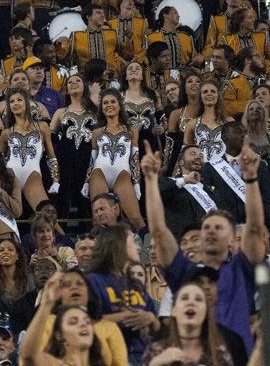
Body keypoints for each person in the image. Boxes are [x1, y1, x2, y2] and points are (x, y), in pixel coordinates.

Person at [143, 137, 265, 354]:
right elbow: (159, 232)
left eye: (218, 228)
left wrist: (252, 179)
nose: (210, 231)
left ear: (231, 238)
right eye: (206, 227)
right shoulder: (185, 272)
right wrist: (151, 181)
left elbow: (255, 228)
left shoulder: (241, 270)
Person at [87, 225, 159, 364]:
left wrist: (150, 318)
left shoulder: (137, 285)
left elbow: (157, 328)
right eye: (133, 241)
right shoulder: (93, 281)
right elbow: (83, 322)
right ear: (119, 245)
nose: (138, 247)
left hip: (144, 358)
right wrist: (124, 317)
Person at [83, 88, 145, 232]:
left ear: (119, 105)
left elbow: (134, 159)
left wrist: (136, 183)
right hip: (99, 173)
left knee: (137, 219)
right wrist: (86, 182)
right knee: (99, 219)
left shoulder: (132, 129)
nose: (109, 105)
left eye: (112, 101)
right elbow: (93, 160)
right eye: (105, 103)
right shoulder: (97, 132)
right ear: (101, 108)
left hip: (122, 175)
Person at [141, 282, 234, 366]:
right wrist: (155, 364)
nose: (191, 302)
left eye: (198, 299)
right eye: (184, 298)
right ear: (173, 310)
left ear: (206, 312)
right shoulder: (155, 351)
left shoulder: (219, 354)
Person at [0, 88, 60, 211]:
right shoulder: (6, 133)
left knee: (46, 214)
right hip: (11, 177)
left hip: (32, 176)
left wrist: (56, 180)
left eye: (19, 100)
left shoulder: (42, 127)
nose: (15, 103)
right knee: (6, 220)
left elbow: (51, 156)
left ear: (27, 103)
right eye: (12, 101)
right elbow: (0, 160)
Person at [201, 121, 270, 225]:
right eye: (238, 131)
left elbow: (266, 200)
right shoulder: (210, 168)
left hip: (253, 227)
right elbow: (207, 201)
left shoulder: (260, 166)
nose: (244, 135)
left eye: (245, 132)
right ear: (225, 137)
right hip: (225, 228)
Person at [50, 74, 98, 220]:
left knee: (87, 197)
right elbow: (50, 136)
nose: (73, 83)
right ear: (66, 89)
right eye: (70, 82)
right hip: (66, 160)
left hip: (89, 159)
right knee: (64, 197)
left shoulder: (95, 111)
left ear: (84, 86)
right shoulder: (60, 112)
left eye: (78, 81)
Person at [0, 238, 37, 333]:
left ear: (17, 256)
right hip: (1, 332)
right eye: (1, 250)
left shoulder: (29, 279)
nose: (5, 252)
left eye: (10, 250)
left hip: (26, 330)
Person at [183, 81, 231, 163]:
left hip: (225, 171)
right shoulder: (191, 124)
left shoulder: (230, 122)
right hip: (201, 171)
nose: (209, 94)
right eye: (205, 92)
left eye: (213, 91)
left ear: (218, 95)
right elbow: (186, 153)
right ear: (200, 98)